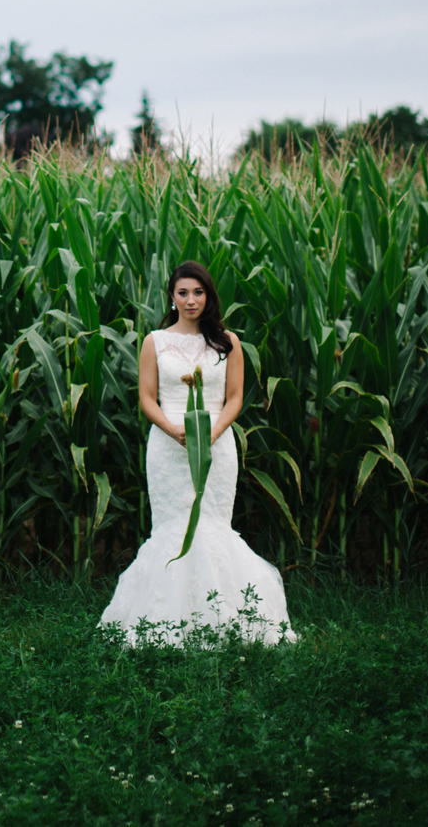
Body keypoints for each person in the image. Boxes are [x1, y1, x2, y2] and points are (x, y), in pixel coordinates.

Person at [99, 261, 295, 645]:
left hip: (216, 446)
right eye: (183, 293)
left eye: (198, 292)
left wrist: (213, 433)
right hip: (167, 446)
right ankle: (163, 624)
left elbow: (234, 397)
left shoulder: (228, 342)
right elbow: (146, 398)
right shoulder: (154, 341)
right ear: (171, 298)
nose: (191, 300)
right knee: (174, 526)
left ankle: (227, 620)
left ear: (209, 296)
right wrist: (173, 431)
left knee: (212, 526)